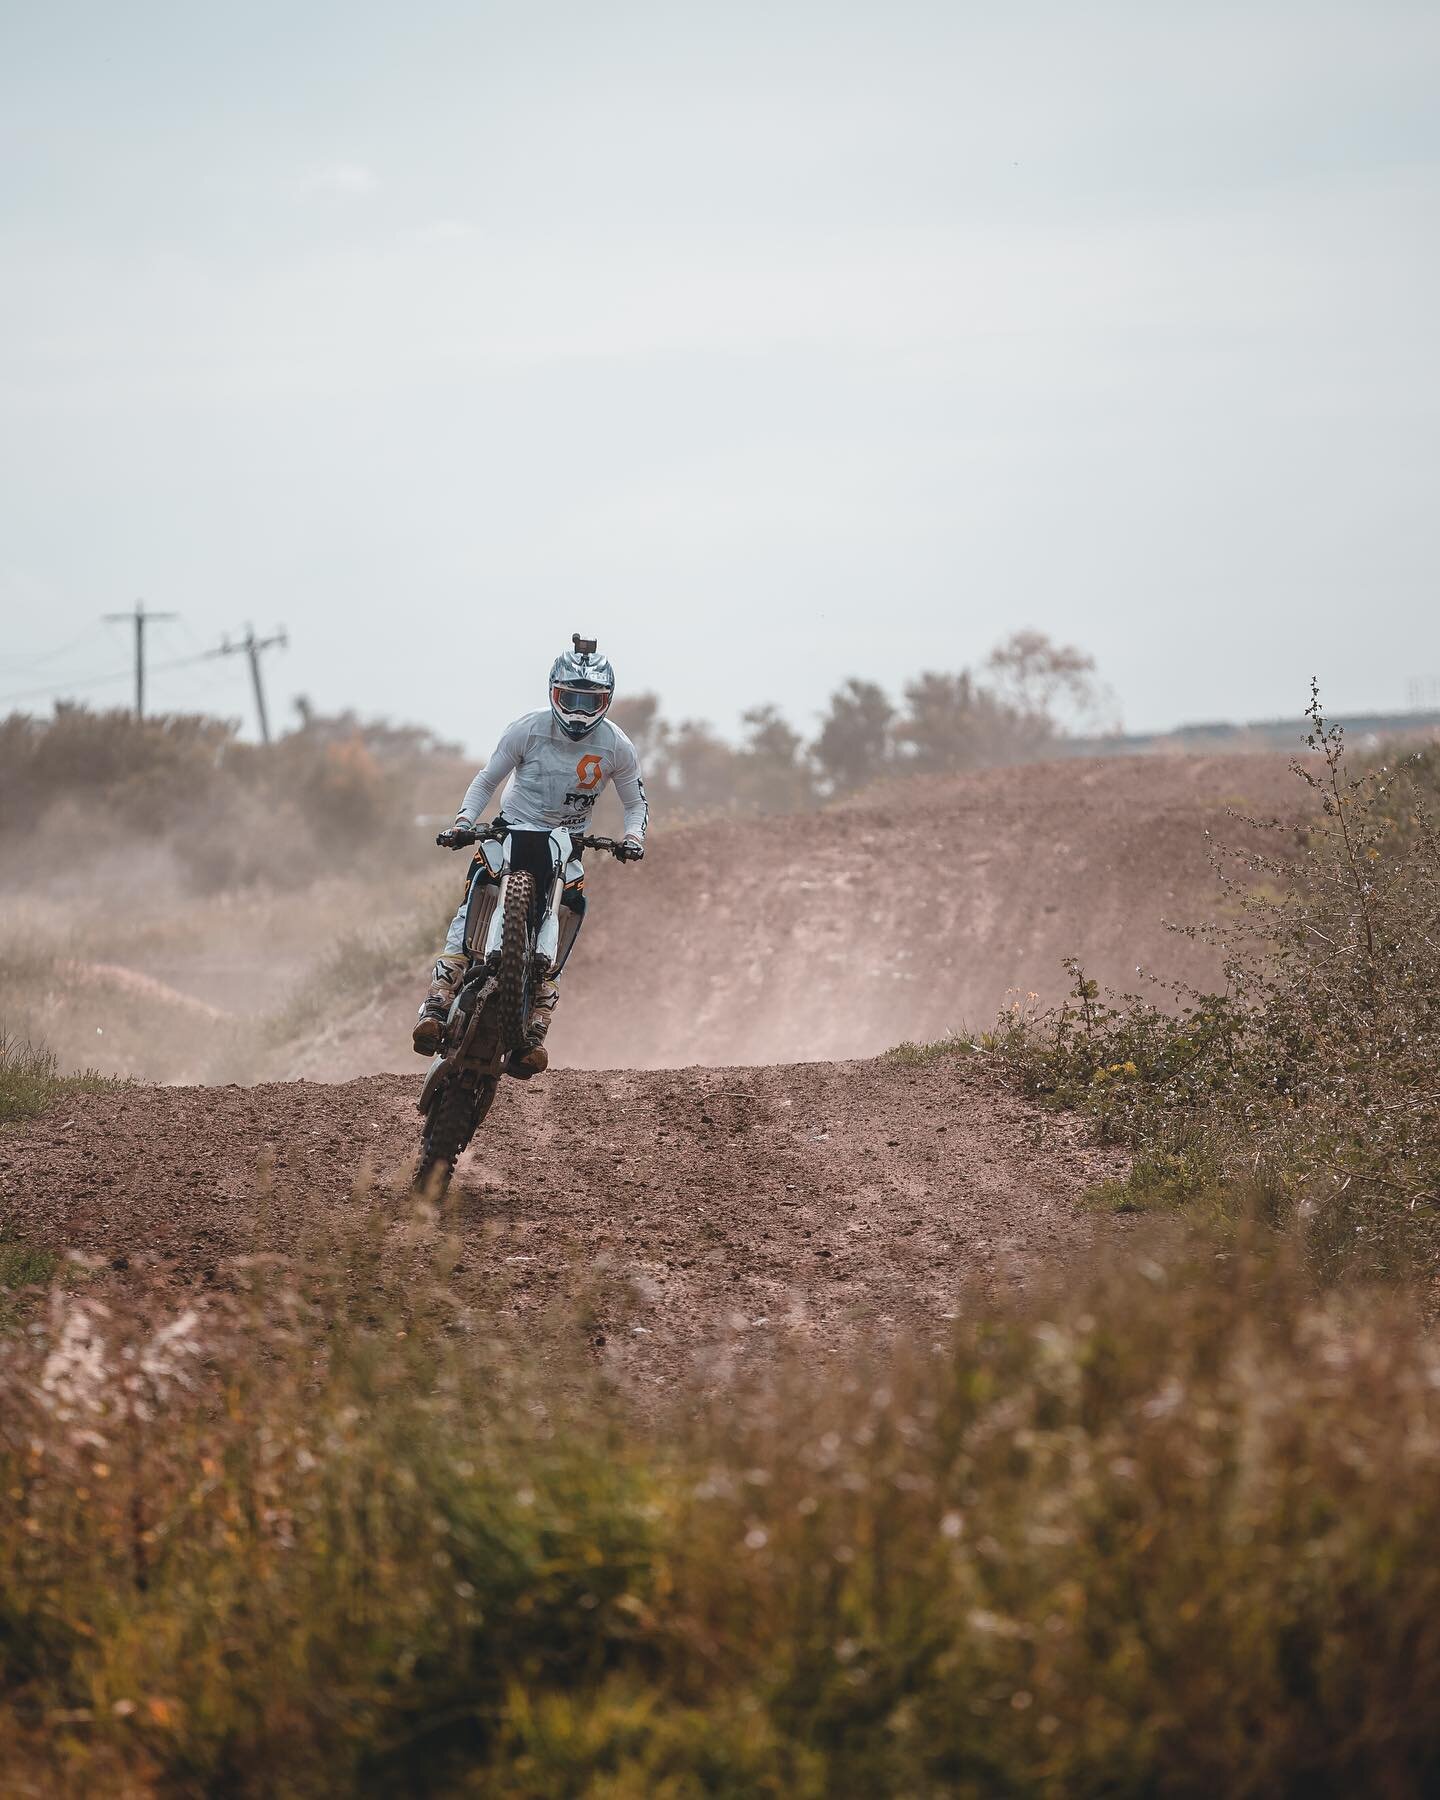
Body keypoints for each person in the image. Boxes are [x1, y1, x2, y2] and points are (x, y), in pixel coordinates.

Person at [413, 635, 648, 1071]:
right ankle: (438, 1001)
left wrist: (634, 838)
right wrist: (465, 821)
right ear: (553, 693)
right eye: (569, 697)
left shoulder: (618, 747)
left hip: (568, 841)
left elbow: (635, 803)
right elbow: (487, 779)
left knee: (572, 904)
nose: (578, 710)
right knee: (477, 893)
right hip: (510, 830)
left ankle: (538, 1021)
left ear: (606, 701)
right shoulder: (527, 728)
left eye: (589, 699)